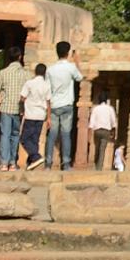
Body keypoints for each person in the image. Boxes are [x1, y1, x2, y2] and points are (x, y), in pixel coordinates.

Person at [45, 41, 85, 170]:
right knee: (66, 134)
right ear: (68, 53)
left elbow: (47, 90)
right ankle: (66, 163)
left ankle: (48, 163)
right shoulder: (71, 67)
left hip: (54, 105)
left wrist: (48, 112)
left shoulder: (50, 69)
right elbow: (80, 78)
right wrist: (77, 62)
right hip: (67, 105)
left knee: (52, 135)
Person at [0, 54, 29, 170]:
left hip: (6, 108)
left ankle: (4, 163)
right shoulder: (26, 74)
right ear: (19, 57)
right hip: (19, 109)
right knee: (15, 135)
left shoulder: (3, 73)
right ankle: (13, 163)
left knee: (5, 134)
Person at [19, 62, 51, 168]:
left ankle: (36, 157)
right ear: (44, 73)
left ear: (35, 72)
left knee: (24, 139)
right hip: (41, 115)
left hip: (30, 114)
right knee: (34, 140)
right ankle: (31, 162)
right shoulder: (46, 85)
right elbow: (48, 102)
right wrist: (49, 117)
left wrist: (21, 110)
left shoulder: (29, 83)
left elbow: (22, 98)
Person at [87, 93, 118, 169]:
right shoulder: (110, 109)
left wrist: (89, 133)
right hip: (106, 131)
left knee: (97, 147)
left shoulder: (95, 109)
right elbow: (113, 122)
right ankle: (99, 167)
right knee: (102, 149)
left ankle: (95, 163)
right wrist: (113, 133)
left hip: (97, 131)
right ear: (106, 100)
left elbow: (91, 122)